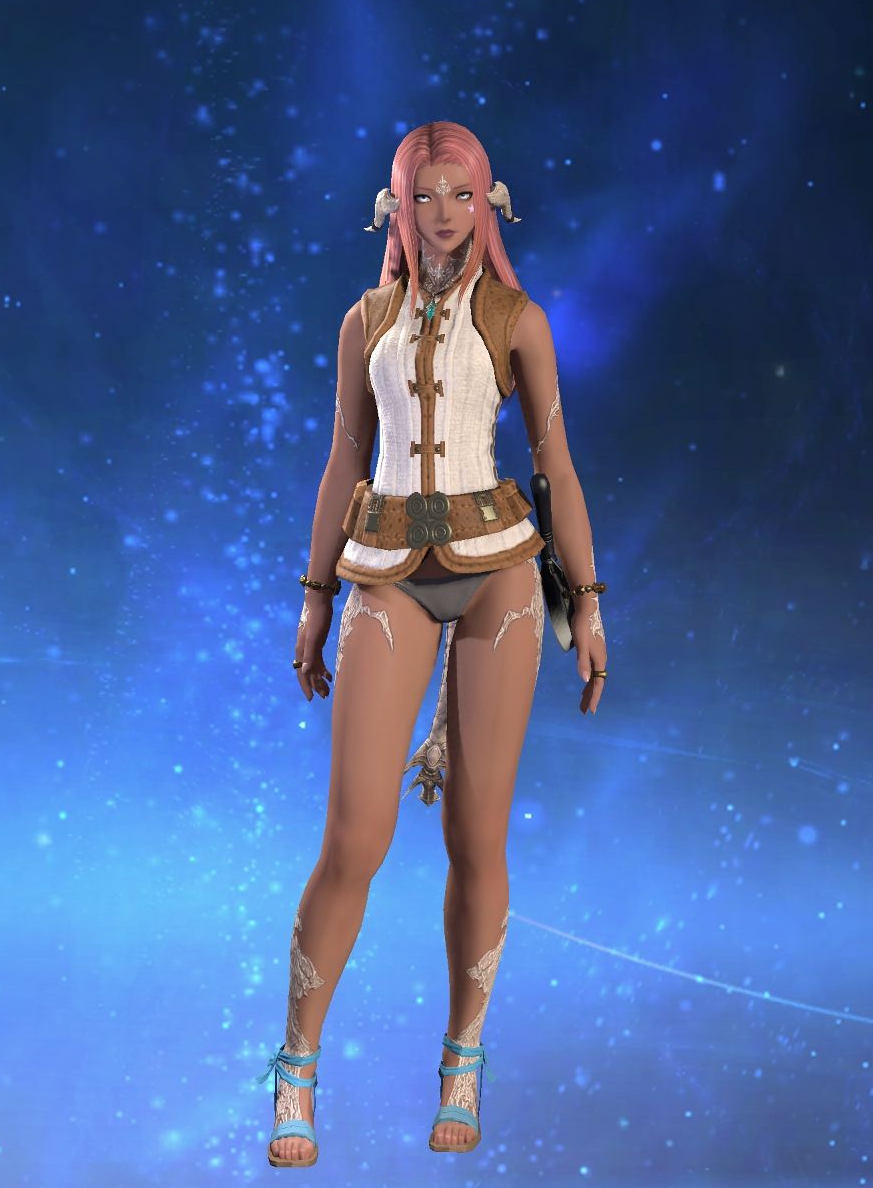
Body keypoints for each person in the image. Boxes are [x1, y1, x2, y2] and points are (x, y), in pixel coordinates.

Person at [256, 121, 608, 1168]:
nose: (443, 214)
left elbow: (557, 467)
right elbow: (342, 462)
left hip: (501, 572)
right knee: (355, 838)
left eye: (461, 195)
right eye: (425, 195)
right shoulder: (363, 320)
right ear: (395, 206)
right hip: (384, 572)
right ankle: (295, 1067)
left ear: (487, 203)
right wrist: (314, 598)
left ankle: (463, 1059)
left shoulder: (518, 320)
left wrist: (589, 603)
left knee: (476, 838)